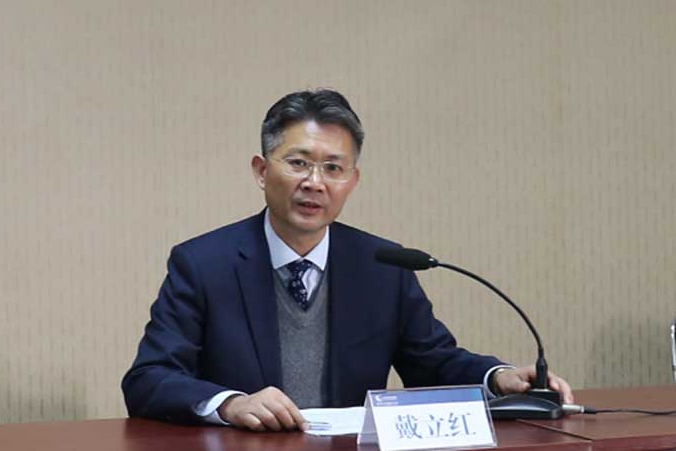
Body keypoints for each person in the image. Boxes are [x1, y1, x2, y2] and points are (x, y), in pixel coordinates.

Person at [121, 89, 573, 431]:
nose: (315, 183)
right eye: (298, 163)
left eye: (333, 168)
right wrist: (230, 403)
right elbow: (149, 378)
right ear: (261, 171)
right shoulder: (204, 264)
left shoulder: (382, 267)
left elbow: (434, 362)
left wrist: (498, 378)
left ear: (352, 181)